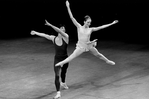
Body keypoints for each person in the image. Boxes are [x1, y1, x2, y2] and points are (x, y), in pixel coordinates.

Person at [55, 0, 118, 67]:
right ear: (84, 21)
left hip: (88, 45)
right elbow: (72, 17)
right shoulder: (79, 27)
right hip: (81, 46)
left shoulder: (90, 29)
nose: (89, 24)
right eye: (88, 22)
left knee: (98, 54)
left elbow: (101, 27)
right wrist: (68, 6)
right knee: (72, 57)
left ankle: (107, 61)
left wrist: (112, 23)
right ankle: (61, 63)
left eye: (90, 22)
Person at [31, 20, 69, 99]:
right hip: (57, 59)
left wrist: (50, 25)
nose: (63, 30)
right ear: (59, 29)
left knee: (63, 72)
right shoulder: (53, 38)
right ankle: (58, 93)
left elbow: (58, 31)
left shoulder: (66, 37)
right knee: (57, 75)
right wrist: (35, 32)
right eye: (61, 28)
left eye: (64, 29)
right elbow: (45, 35)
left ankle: (63, 82)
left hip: (65, 59)